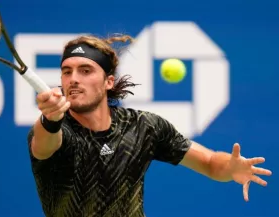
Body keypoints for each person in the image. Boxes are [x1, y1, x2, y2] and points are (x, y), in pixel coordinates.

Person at [27, 34, 272, 217]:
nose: (74, 79)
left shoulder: (143, 127)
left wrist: (229, 167)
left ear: (108, 82)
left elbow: (208, 163)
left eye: (85, 70)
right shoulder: (58, 130)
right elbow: (44, 145)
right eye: (66, 72)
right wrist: (50, 119)